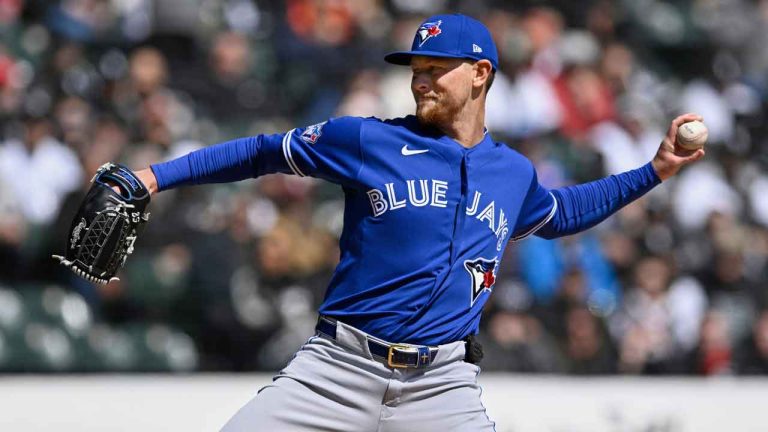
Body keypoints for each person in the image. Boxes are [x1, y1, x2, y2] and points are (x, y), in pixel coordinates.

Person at [127, 14, 704, 431]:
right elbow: (261, 151)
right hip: (337, 368)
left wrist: (653, 170)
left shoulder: (512, 173)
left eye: (435, 68)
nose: (419, 79)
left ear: (480, 74)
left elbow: (563, 213)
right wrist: (155, 177)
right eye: (415, 69)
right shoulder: (369, 139)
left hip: (441, 385)